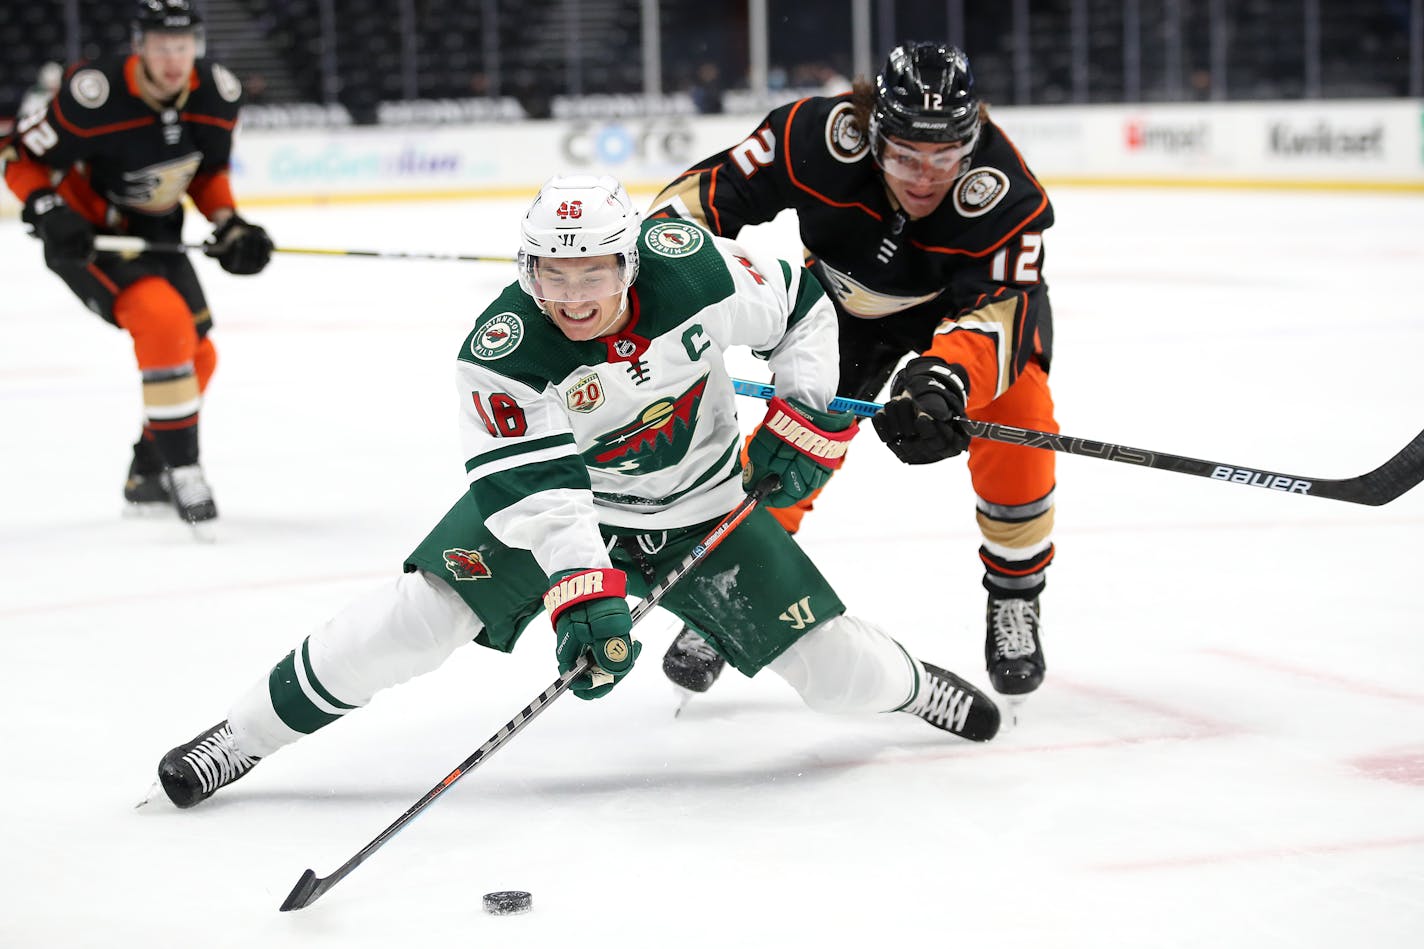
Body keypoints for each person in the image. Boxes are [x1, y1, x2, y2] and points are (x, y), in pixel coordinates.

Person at [152, 175, 1000, 809]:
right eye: (551, 276)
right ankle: (242, 735)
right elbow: (537, 490)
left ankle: (913, 683)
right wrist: (583, 591)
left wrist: (804, 416)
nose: (572, 297)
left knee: (834, 671)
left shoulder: (695, 270)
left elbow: (802, 306)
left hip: (701, 505)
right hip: (574, 507)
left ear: (629, 260)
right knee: (414, 617)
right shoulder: (502, 351)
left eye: (592, 274)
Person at [651, 42, 1058, 702]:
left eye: (945, 158)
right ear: (873, 134)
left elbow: (1004, 310)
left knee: (1018, 414)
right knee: (801, 430)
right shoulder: (813, 135)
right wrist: (662, 273)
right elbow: (708, 197)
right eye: (904, 157)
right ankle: (739, 578)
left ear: (971, 141)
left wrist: (947, 378)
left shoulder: (1008, 194)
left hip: (963, 319)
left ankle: (1015, 590)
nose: (924, 179)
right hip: (844, 306)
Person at [1, 0, 274, 529]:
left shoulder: (217, 94)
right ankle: (184, 468)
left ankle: (147, 473)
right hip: (90, 238)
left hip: (156, 235)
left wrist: (230, 223)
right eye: (161, 47)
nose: (173, 60)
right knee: (163, 321)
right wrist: (48, 209)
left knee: (200, 356)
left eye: (182, 47)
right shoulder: (92, 96)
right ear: (139, 47)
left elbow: (206, 171)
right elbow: (19, 157)